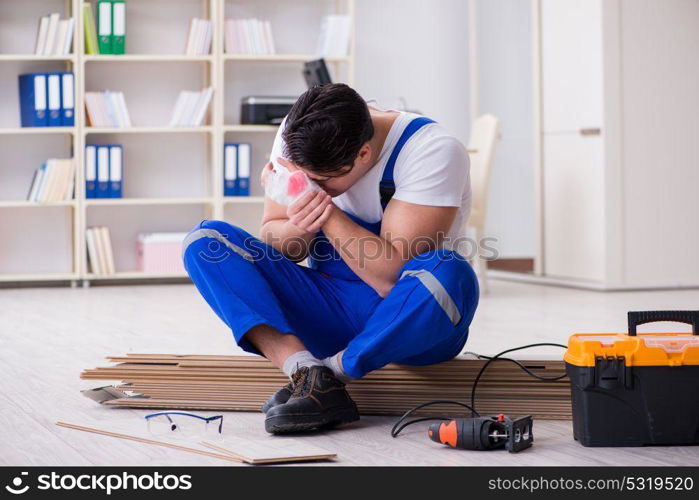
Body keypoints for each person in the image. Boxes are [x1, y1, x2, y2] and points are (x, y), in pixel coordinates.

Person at [183, 83, 479, 434]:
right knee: (206, 242)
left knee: (449, 271)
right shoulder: (295, 136)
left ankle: (333, 375)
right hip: (329, 305)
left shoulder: (431, 151)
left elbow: (390, 278)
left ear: (364, 154)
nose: (309, 186)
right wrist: (298, 219)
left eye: (322, 182)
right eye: (301, 177)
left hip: (409, 322)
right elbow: (283, 248)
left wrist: (323, 211)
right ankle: (305, 371)